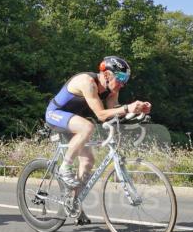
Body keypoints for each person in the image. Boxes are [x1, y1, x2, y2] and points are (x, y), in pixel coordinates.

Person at [45, 56, 151, 188]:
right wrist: (127, 108)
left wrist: (136, 112)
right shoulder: (87, 82)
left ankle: (73, 199)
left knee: (88, 161)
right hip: (55, 114)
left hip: (74, 120)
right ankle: (65, 167)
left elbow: (114, 113)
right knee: (87, 127)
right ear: (106, 75)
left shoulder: (112, 90)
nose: (123, 84)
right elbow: (101, 115)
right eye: (120, 78)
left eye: (125, 79)